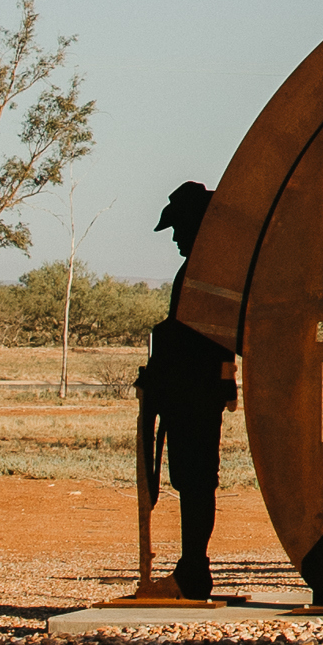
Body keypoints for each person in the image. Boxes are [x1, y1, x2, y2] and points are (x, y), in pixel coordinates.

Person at [136, 183, 234, 598]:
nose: (175, 237)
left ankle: (195, 566)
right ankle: (192, 565)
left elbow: (205, 339)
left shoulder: (207, 273)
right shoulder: (201, 270)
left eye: (179, 228)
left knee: (195, 482)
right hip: (192, 394)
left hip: (193, 395)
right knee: (192, 482)